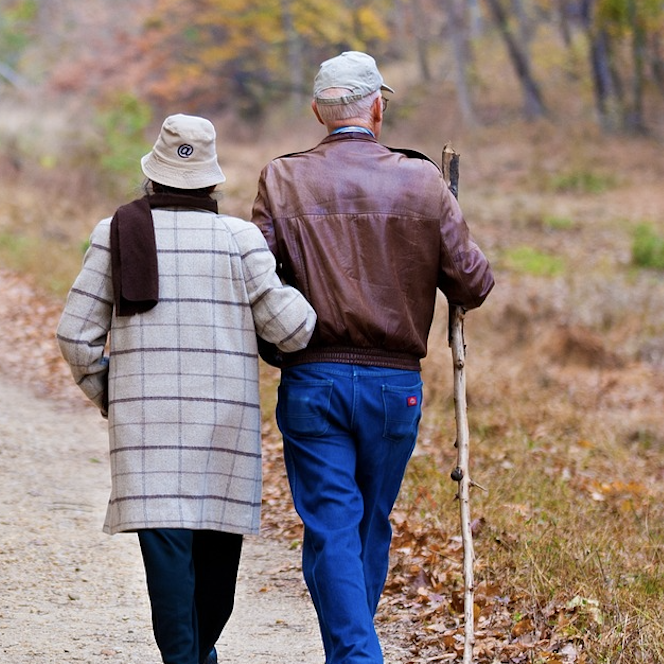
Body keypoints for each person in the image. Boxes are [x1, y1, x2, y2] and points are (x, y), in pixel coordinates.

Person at [250, 52, 495, 664]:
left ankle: (355, 655)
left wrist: (274, 342)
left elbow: (256, 280)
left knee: (337, 526)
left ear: (317, 113)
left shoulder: (281, 179)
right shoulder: (422, 181)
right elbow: (473, 283)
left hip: (313, 378)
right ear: (378, 108)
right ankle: (359, 656)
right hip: (394, 389)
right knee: (365, 523)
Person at [57, 113, 317, 664]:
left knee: (168, 560)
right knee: (217, 568)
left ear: (152, 177)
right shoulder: (239, 240)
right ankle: (194, 656)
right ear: (212, 181)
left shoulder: (116, 233)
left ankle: (190, 657)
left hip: (146, 431)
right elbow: (292, 331)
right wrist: (301, 283)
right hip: (223, 427)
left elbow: (75, 334)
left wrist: (112, 393)